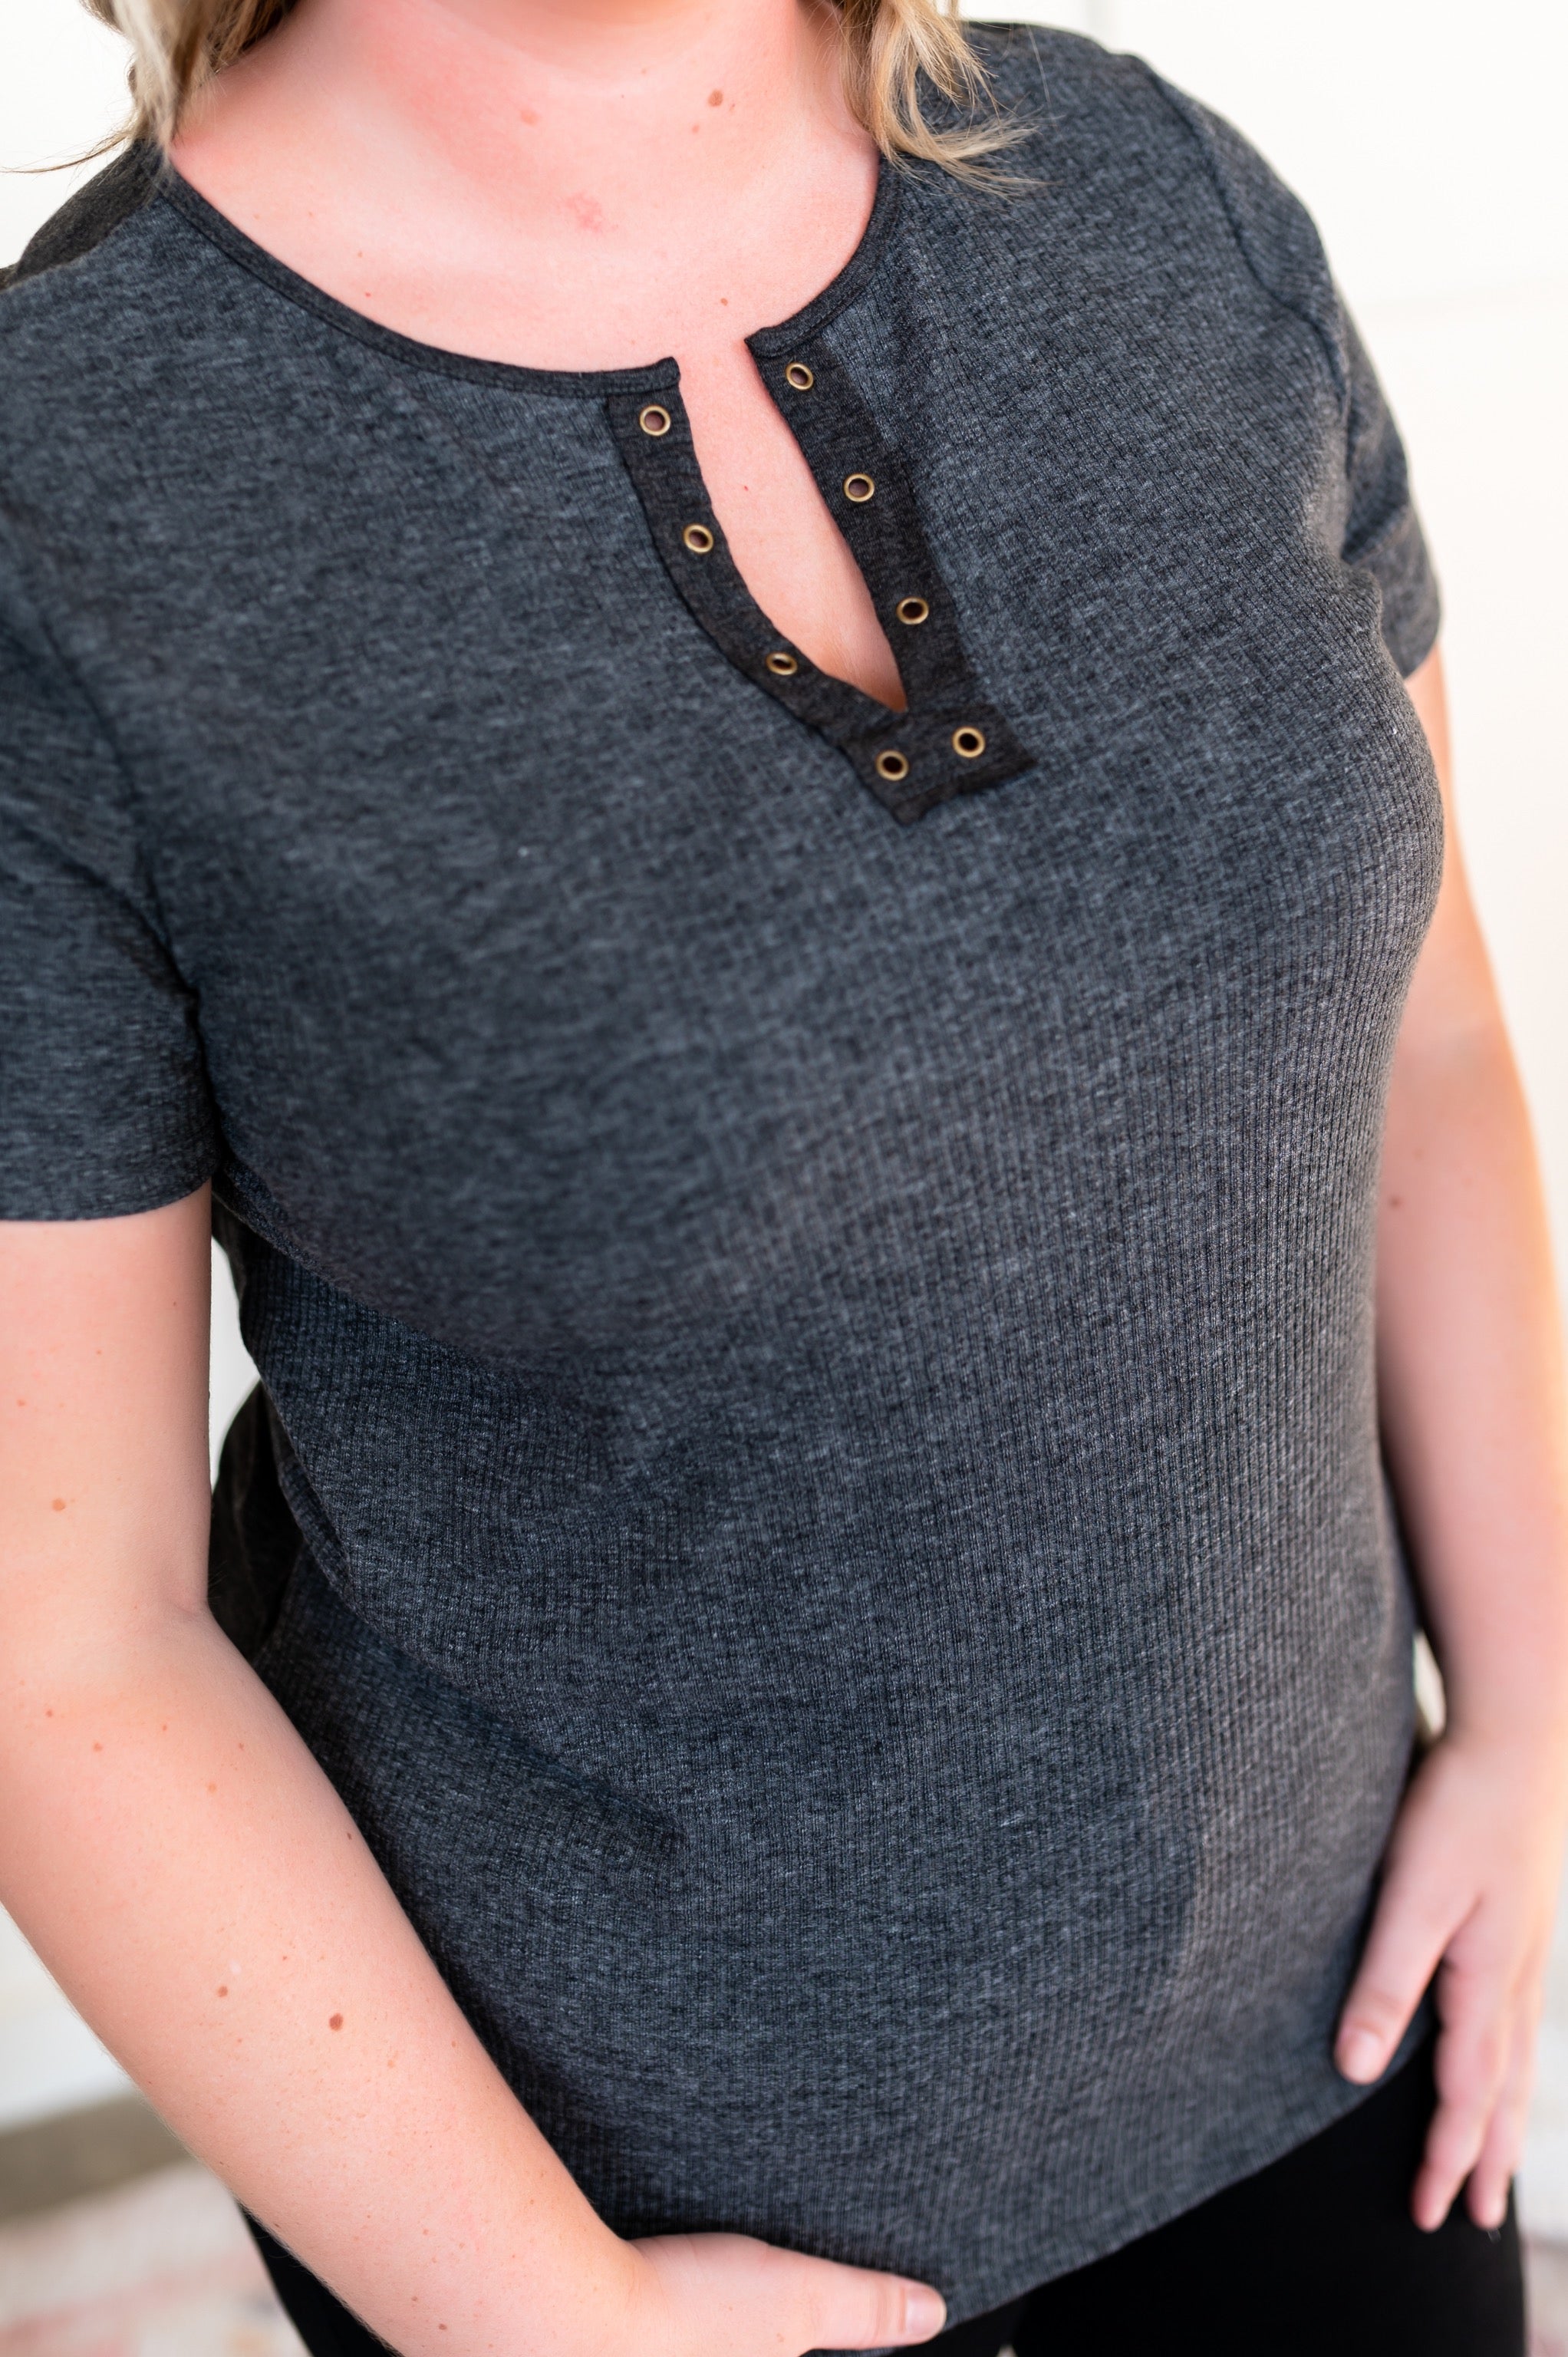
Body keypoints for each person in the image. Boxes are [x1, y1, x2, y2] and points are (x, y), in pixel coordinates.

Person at [1, 0, 1565, 2349]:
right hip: (607, 2232)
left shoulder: (1153, 194)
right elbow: (59, 1636)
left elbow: (1420, 1033)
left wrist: (1529, 1709)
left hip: (1339, 2052)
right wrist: (531, 2308)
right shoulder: (66, 498)